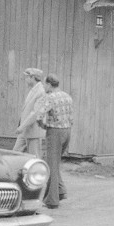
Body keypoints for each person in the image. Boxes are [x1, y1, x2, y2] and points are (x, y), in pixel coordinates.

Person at [40, 73, 73, 209]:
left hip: (55, 132)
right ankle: (61, 191)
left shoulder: (50, 97)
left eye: (44, 84)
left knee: (51, 165)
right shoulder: (67, 96)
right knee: (55, 163)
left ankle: (52, 200)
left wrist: (42, 125)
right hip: (67, 131)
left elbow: (40, 114)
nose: (44, 86)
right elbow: (71, 118)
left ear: (49, 84)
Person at [13, 68, 46, 157]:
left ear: (33, 78)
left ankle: (38, 171)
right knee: (15, 153)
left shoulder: (41, 92)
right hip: (25, 131)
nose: (26, 79)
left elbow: (35, 113)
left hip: (33, 132)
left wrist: (21, 127)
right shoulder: (33, 90)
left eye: (27, 77)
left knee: (34, 157)